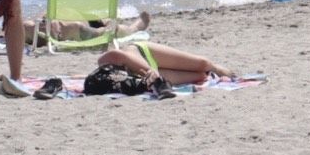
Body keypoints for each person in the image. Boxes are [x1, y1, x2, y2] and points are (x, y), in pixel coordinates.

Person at [93, 41, 232, 92]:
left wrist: (150, 71)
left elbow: (150, 71)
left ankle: (215, 68)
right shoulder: (108, 83)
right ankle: (211, 73)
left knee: (203, 64)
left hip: (146, 54)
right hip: (146, 76)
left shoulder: (108, 59)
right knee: (200, 76)